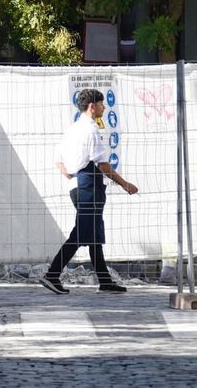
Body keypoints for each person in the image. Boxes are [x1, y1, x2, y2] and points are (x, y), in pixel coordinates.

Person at [39, 88, 138, 294]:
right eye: (102, 104)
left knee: (93, 235)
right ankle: (52, 274)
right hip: (88, 187)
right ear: (92, 107)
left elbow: (59, 161)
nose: (104, 107)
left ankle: (105, 281)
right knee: (81, 234)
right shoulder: (90, 129)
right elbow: (102, 164)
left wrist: (73, 174)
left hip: (77, 185)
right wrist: (124, 183)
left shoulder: (72, 129)